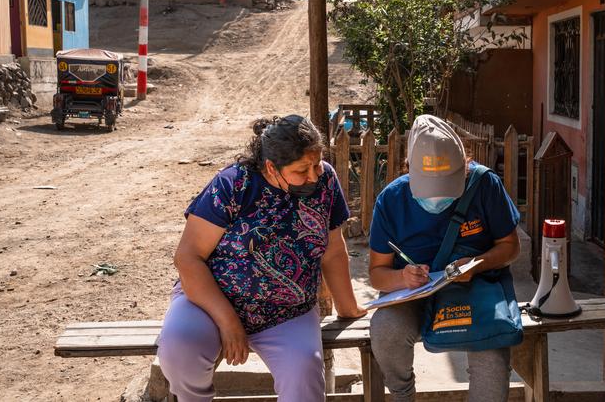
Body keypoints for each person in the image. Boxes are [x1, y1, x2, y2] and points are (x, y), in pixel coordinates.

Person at [157, 115, 366, 402]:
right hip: (212, 300)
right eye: (302, 169)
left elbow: (333, 250)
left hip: (288, 310)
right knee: (179, 347)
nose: (314, 176)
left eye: (317, 164)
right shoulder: (232, 185)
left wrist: (348, 307)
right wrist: (228, 322)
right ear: (271, 167)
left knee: (304, 372)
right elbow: (188, 258)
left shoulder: (326, 181)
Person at [368, 114, 521, 402]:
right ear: (408, 170)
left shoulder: (485, 185)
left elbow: (510, 247)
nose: (437, 199)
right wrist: (402, 277)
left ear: (465, 166)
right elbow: (377, 273)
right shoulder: (391, 199)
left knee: (491, 353)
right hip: (413, 294)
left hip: (475, 289)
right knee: (385, 329)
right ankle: (402, 396)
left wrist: (479, 264)